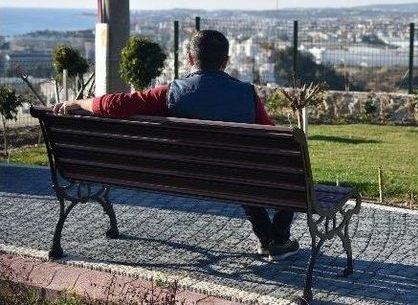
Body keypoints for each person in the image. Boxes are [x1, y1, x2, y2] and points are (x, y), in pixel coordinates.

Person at [52, 30, 299, 261]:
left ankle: (268, 239)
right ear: (225, 61)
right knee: (282, 174)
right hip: (235, 179)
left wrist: (81, 103)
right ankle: (277, 238)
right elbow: (275, 139)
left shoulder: (170, 93)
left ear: (191, 58)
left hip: (184, 176)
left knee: (239, 172)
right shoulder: (246, 94)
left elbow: (116, 105)